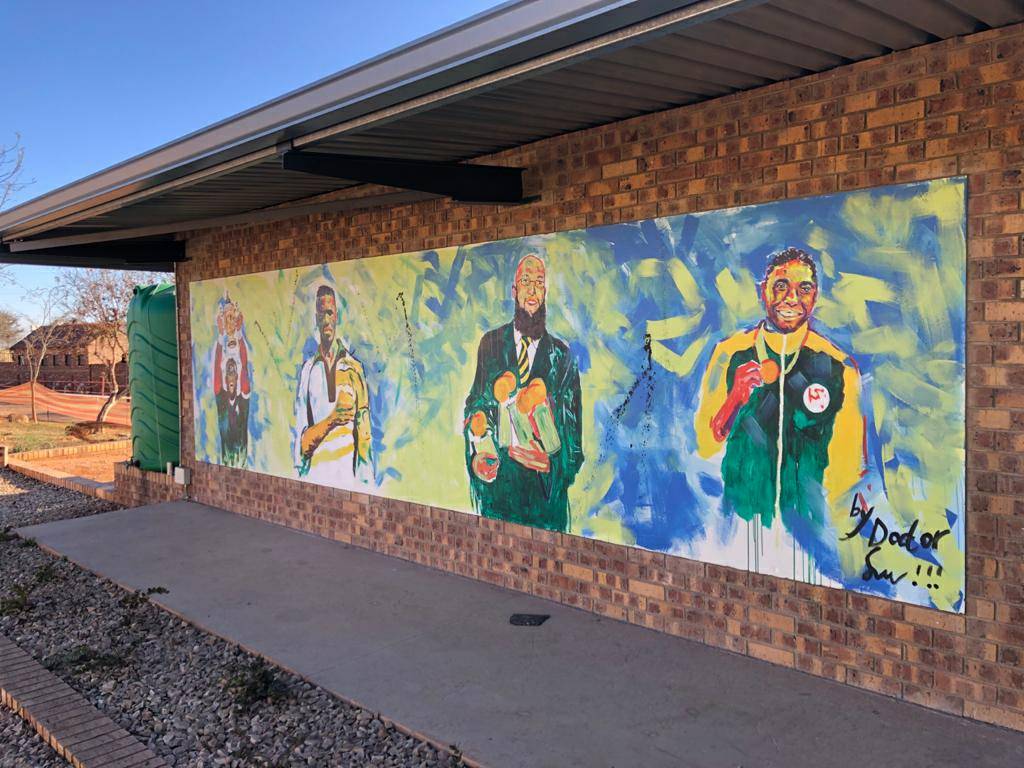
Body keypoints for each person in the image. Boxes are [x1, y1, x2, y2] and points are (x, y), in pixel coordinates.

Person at [695, 247, 865, 530]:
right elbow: (705, 443)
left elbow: (847, 469)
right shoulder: (730, 353)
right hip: (740, 521)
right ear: (763, 291)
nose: (791, 298)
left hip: (808, 528)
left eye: (804, 288)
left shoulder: (839, 366)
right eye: (781, 286)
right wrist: (734, 400)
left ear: (815, 296)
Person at [464, 253, 583, 532]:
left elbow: (574, 444)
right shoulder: (491, 345)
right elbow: (474, 407)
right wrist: (477, 457)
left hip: (546, 510)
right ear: (514, 291)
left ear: (545, 292)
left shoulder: (562, 357)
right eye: (526, 282)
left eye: (539, 283)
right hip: (498, 502)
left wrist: (550, 463)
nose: (532, 290)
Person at [293, 284, 372, 486]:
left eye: (330, 313)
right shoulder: (308, 371)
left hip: (348, 482)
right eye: (322, 314)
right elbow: (302, 445)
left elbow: (364, 440)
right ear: (316, 318)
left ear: (336, 316)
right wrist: (333, 418)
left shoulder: (354, 369)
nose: (326, 320)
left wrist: (365, 485)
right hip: (314, 481)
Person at [213, 297, 250, 467]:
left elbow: (244, 365)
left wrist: (239, 334)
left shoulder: (243, 400)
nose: (232, 375)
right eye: (229, 372)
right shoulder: (222, 400)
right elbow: (216, 367)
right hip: (228, 461)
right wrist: (221, 335)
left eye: (234, 371)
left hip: (241, 461)